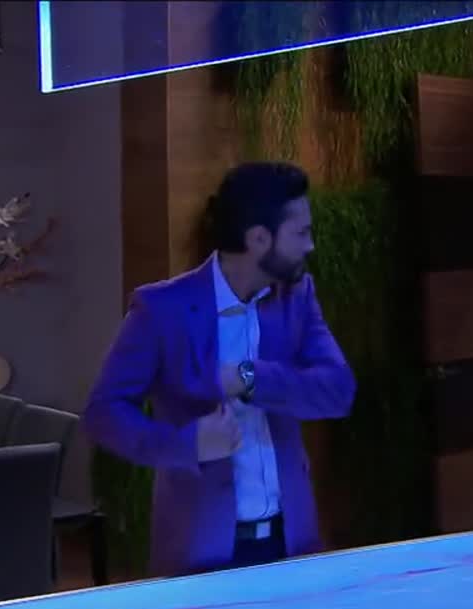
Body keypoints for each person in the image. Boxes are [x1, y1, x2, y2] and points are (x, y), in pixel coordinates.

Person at [83, 162, 356, 577]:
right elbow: (104, 413)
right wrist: (185, 446)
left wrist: (250, 378)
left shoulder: (297, 297)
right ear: (259, 239)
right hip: (200, 552)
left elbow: (338, 390)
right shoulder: (163, 310)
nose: (311, 245)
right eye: (301, 233)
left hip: (291, 545)